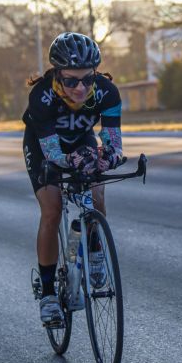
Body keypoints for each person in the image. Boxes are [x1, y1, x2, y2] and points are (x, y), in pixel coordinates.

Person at [22, 32, 123, 326]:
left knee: (97, 194)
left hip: (81, 141)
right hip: (44, 147)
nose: (81, 87)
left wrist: (109, 157)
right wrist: (72, 162)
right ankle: (49, 295)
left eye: (87, 79)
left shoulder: (107, 92)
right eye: (71, 81)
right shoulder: (41, 96)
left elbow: (113, 141)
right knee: (52, 211)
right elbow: (52, 151)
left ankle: (94, 252)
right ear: (57, 75)